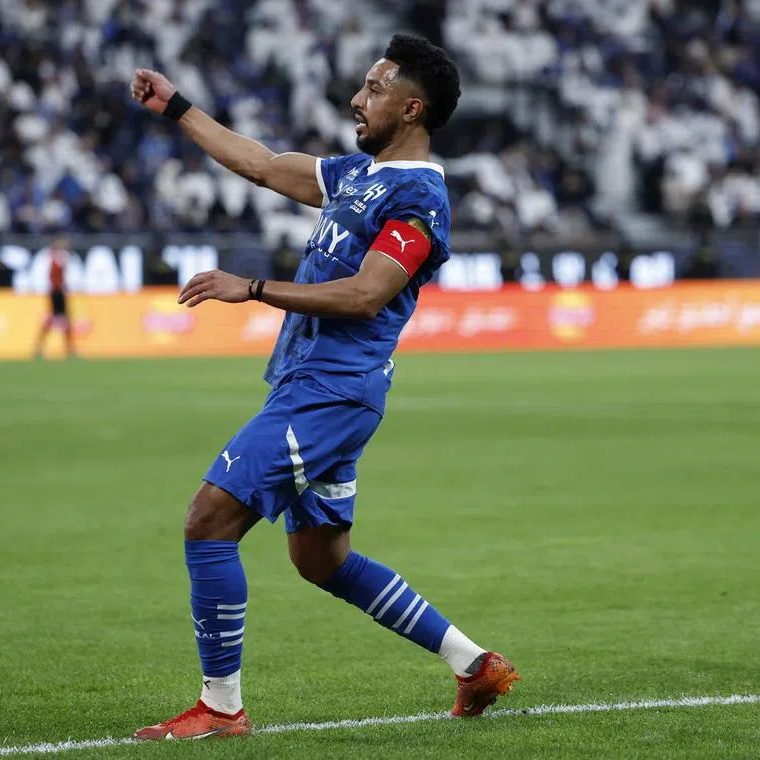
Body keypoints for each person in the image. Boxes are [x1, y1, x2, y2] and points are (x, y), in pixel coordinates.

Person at [129, 34, 519, 742]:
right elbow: (262, 164)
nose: (356, 100)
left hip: (332, 392)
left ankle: (222, 708)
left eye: (373, 89)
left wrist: (252, 288)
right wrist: (177, 107)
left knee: (208, 520)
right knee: (320, 560)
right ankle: (473, 664)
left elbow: (368, 294)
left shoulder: (419, 198)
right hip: (312, 385)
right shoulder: (357, 175)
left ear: (411, 109)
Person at [33, 235, 76, 359]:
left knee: (62, 320)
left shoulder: (61, 256)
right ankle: (41, 346)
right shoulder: (52, 256)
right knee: (57, 319)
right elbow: (53, 274)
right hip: (55, 292)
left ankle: (68, 348)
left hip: (59, 291)